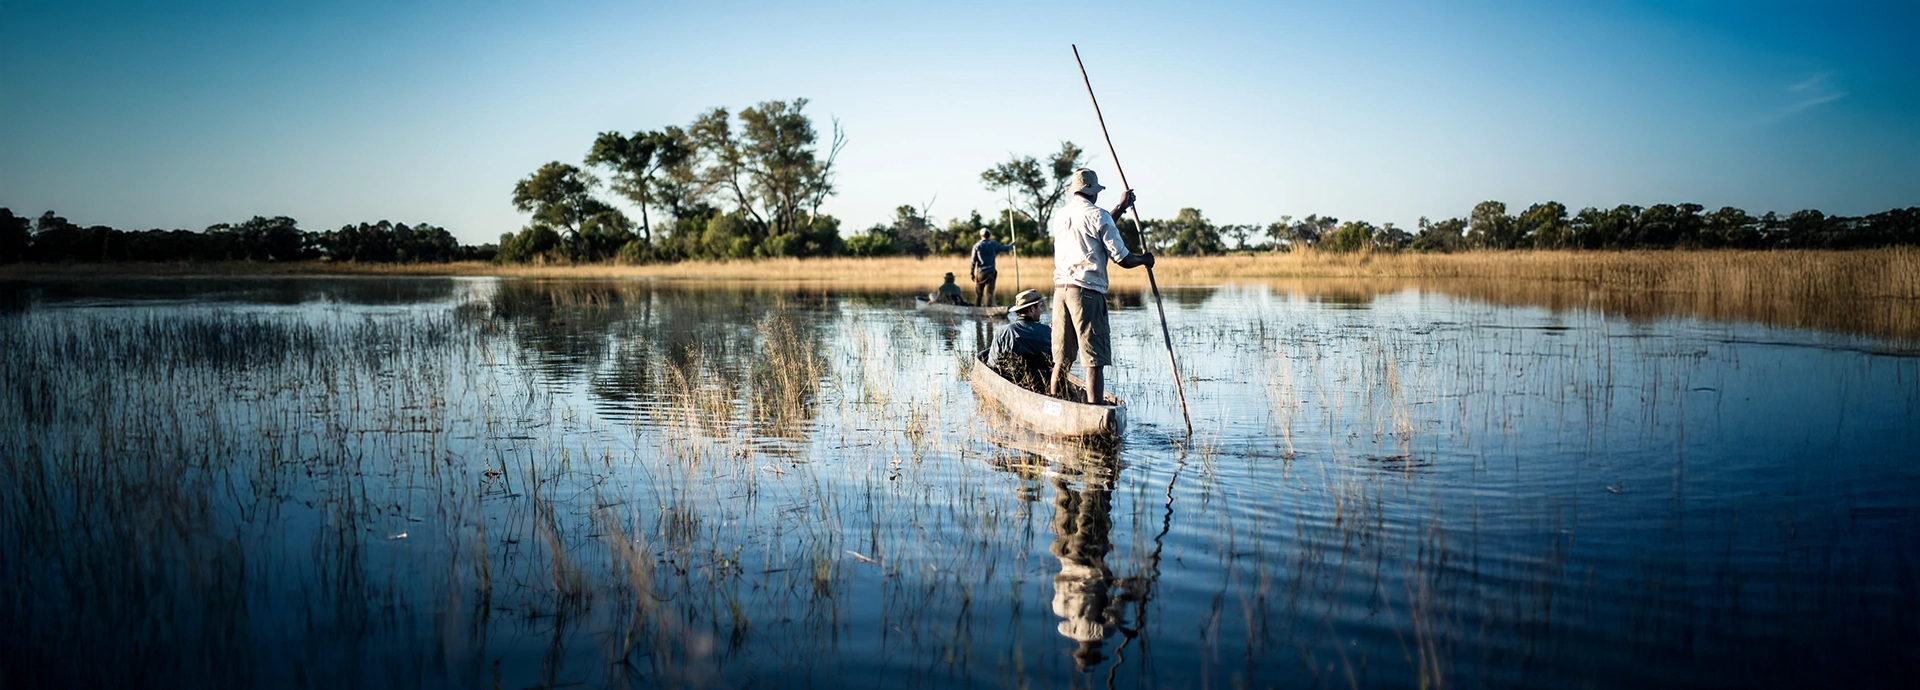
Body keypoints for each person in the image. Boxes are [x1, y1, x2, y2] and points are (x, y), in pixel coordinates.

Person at [1048, 168, 1152, 405]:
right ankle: (1095, 412)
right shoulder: (1099, 215)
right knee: (1094, 361)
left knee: (1061, 360)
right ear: (1093, 192)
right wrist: (1144, 259)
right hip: (1086, 293)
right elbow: (1123, 259)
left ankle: (1055, 406)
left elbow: (1094, 227)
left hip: (1061, 292)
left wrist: (1121, 207)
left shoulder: (1061, 216)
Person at [986, 289, 1051, 390]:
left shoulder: (1002, 332)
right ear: (1032, 309)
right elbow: (1054, 361)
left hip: (1011, 382)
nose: (1041, 310)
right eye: (1040, 307)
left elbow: (992, 364)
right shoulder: (1047, 332)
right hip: (1040, 385)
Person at [969, 228, 1015, 306]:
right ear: (989, 235)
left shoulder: (976, 246)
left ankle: (976, 309)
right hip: (991, 273)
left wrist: (971, 273)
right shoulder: (993, 244)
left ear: (981, 235)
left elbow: (973, 261)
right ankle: (988, 309)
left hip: (981, 273)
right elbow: (1005, 249)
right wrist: (1012, 245)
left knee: (979, 294)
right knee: (989, 294)